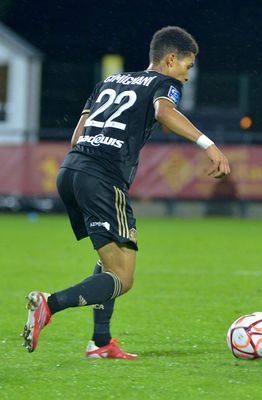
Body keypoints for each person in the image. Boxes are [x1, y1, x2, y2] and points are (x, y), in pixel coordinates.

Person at [21, 26, 230, 358]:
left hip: (71, 170)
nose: (187, 77)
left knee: (108, 260)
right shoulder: (166, 84)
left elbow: (77, 137)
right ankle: (50, 304)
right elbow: (164, 112)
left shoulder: (110, 81)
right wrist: (209, 144)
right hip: (102, 178)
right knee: (123, 276)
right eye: (187, 67)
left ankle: (101, 343)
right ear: (171, 59)